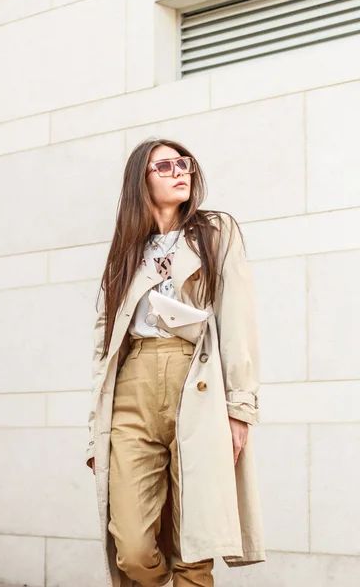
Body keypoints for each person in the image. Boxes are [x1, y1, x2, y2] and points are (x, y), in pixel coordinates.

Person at [86, 138, 266, 587]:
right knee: (131, 548)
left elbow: (238, 318)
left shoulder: (214, 231)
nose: (179, 171)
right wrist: (96, 431)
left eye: (183, 163)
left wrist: (239, 407)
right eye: (164, 166)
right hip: (132, 387)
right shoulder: (125, 251)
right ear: (139, 182)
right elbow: (103, 346)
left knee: (195, 543)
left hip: (197, 383)